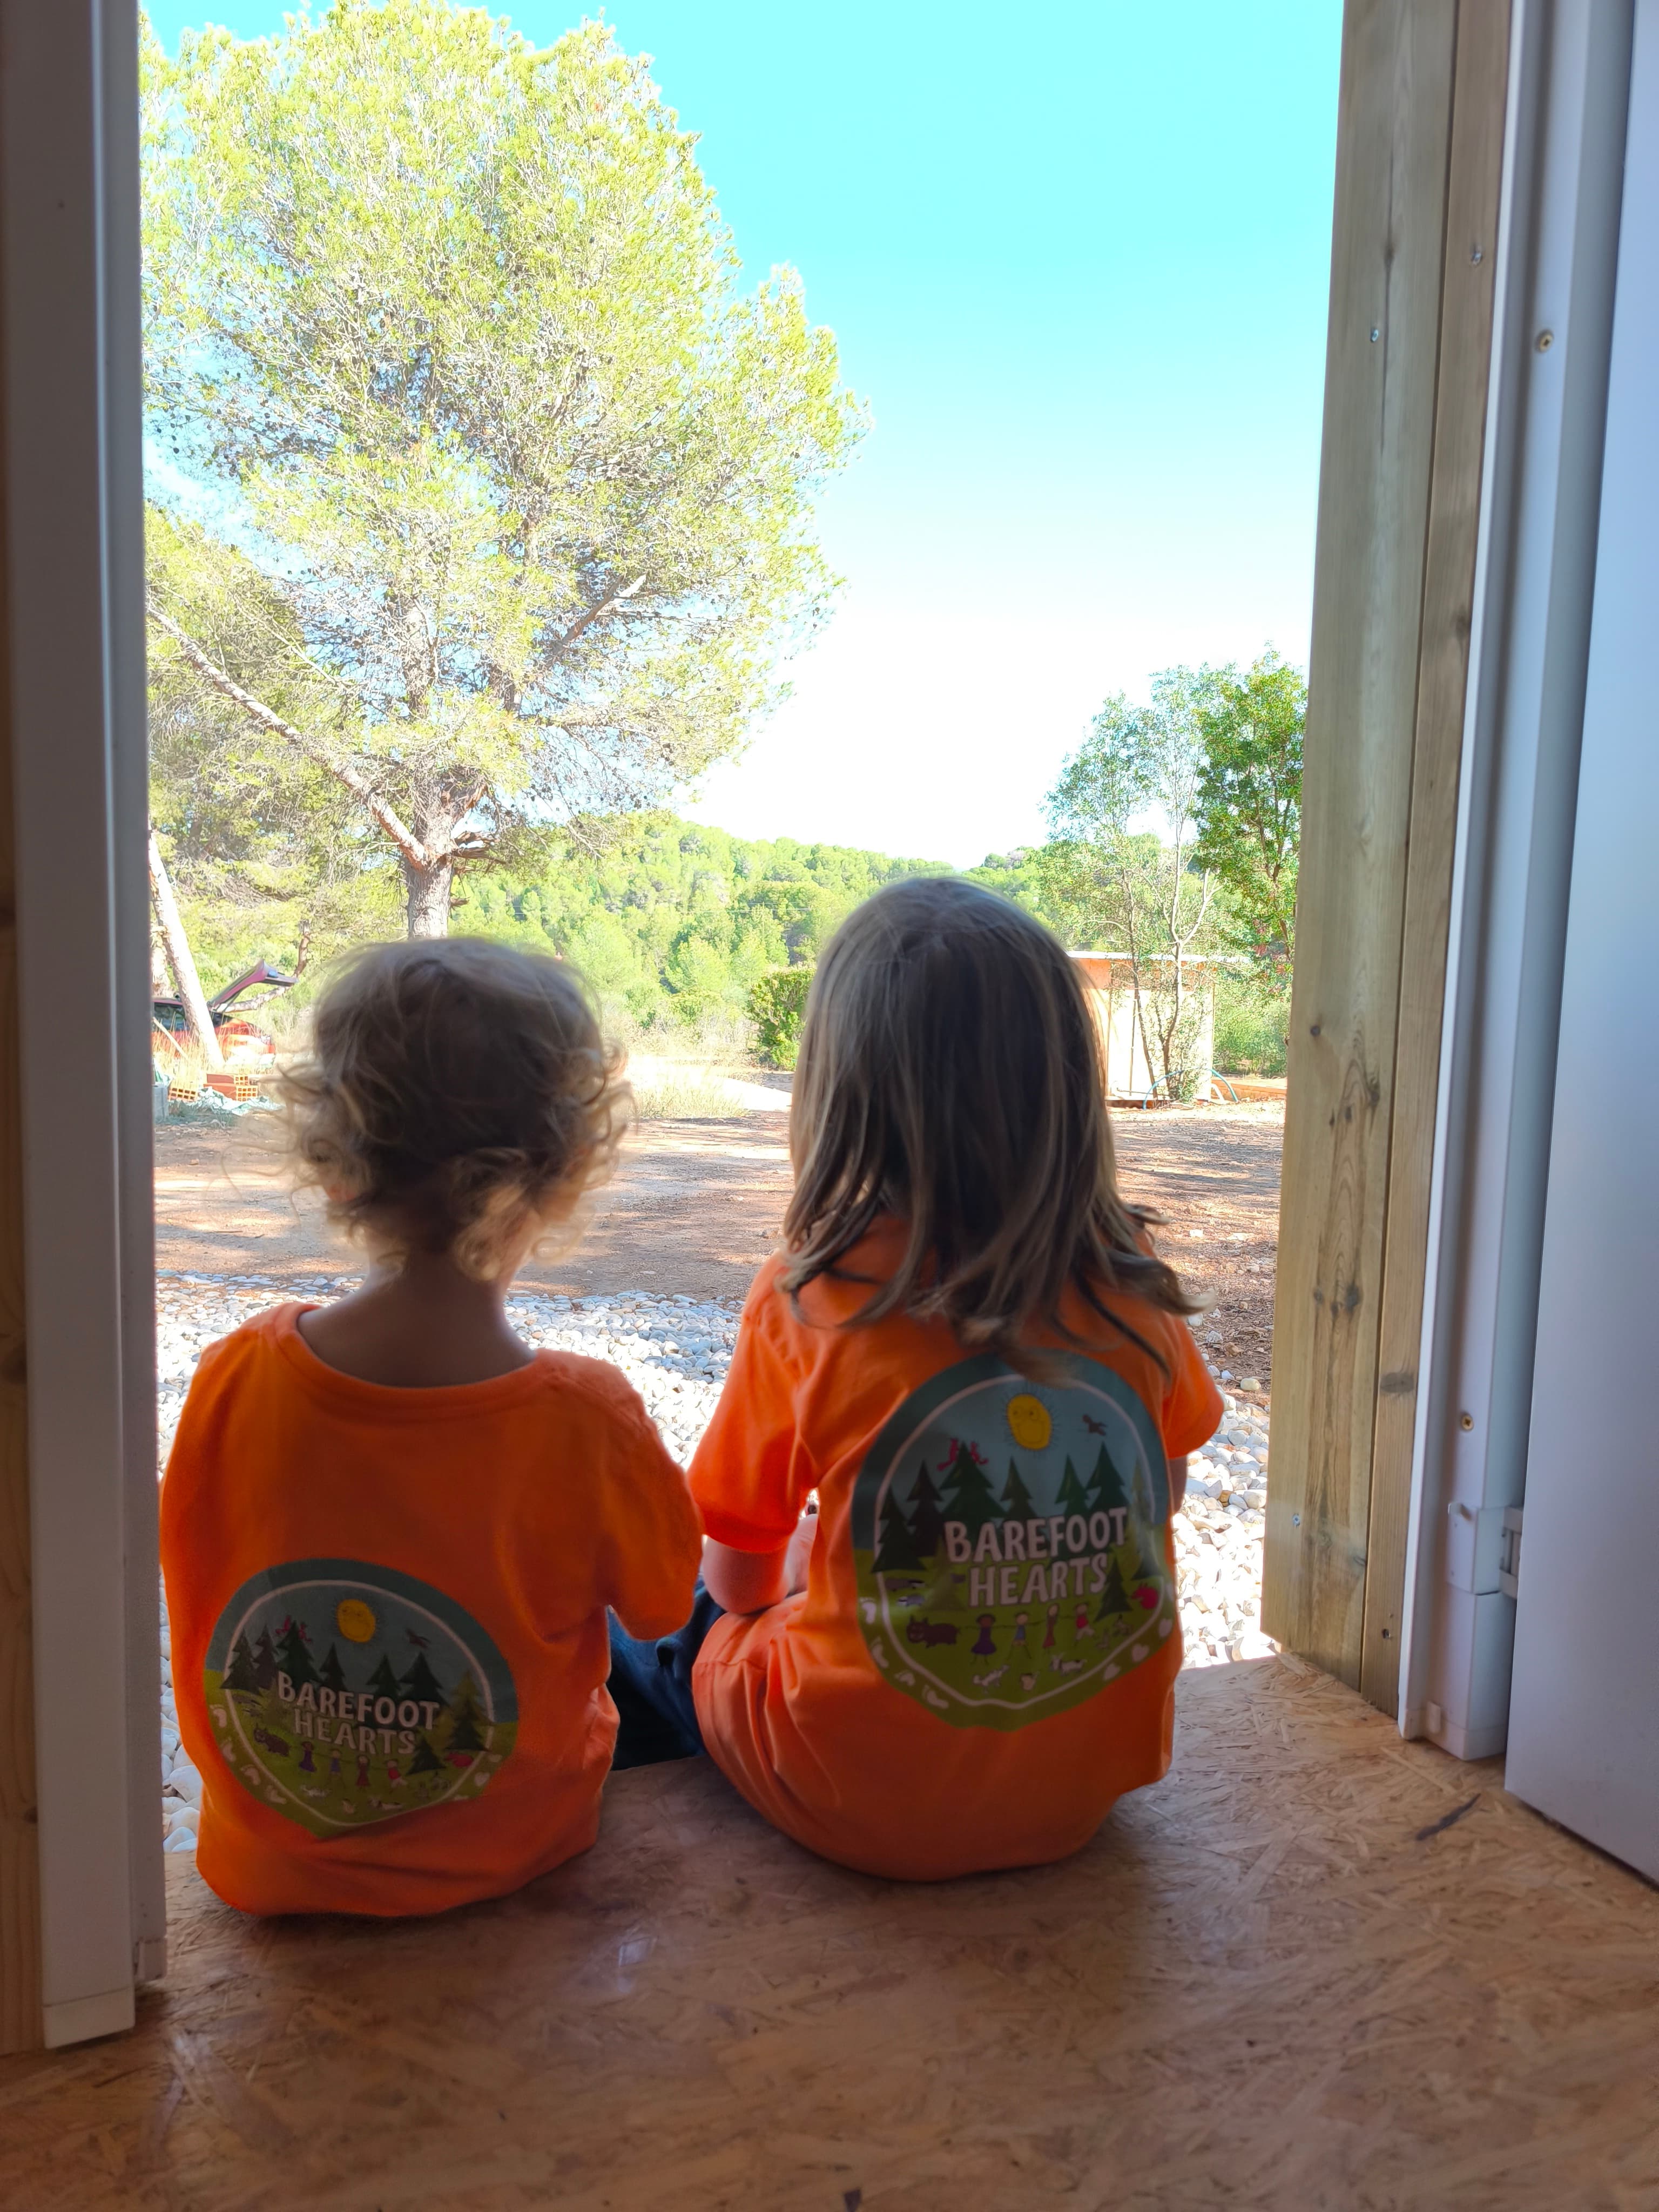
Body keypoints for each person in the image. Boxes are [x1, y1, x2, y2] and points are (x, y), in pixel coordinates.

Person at [607, 877, 1220, 1879]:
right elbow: (1161, 1497)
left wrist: (809, 1570)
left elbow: (737, 1573)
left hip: (851, 1795)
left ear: (838, 1091)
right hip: (1086, 1788)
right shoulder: (1133, 1289)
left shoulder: (814, 1298)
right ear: (1066, 1078)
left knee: (663, 1636)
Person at [161, 940, 702, 1916]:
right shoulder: (587, 1418)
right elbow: (666, 1608)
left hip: (272, 1867)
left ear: (333, 1162)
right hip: (510, 1854)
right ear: (567, 1170)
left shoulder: (235, 1372)